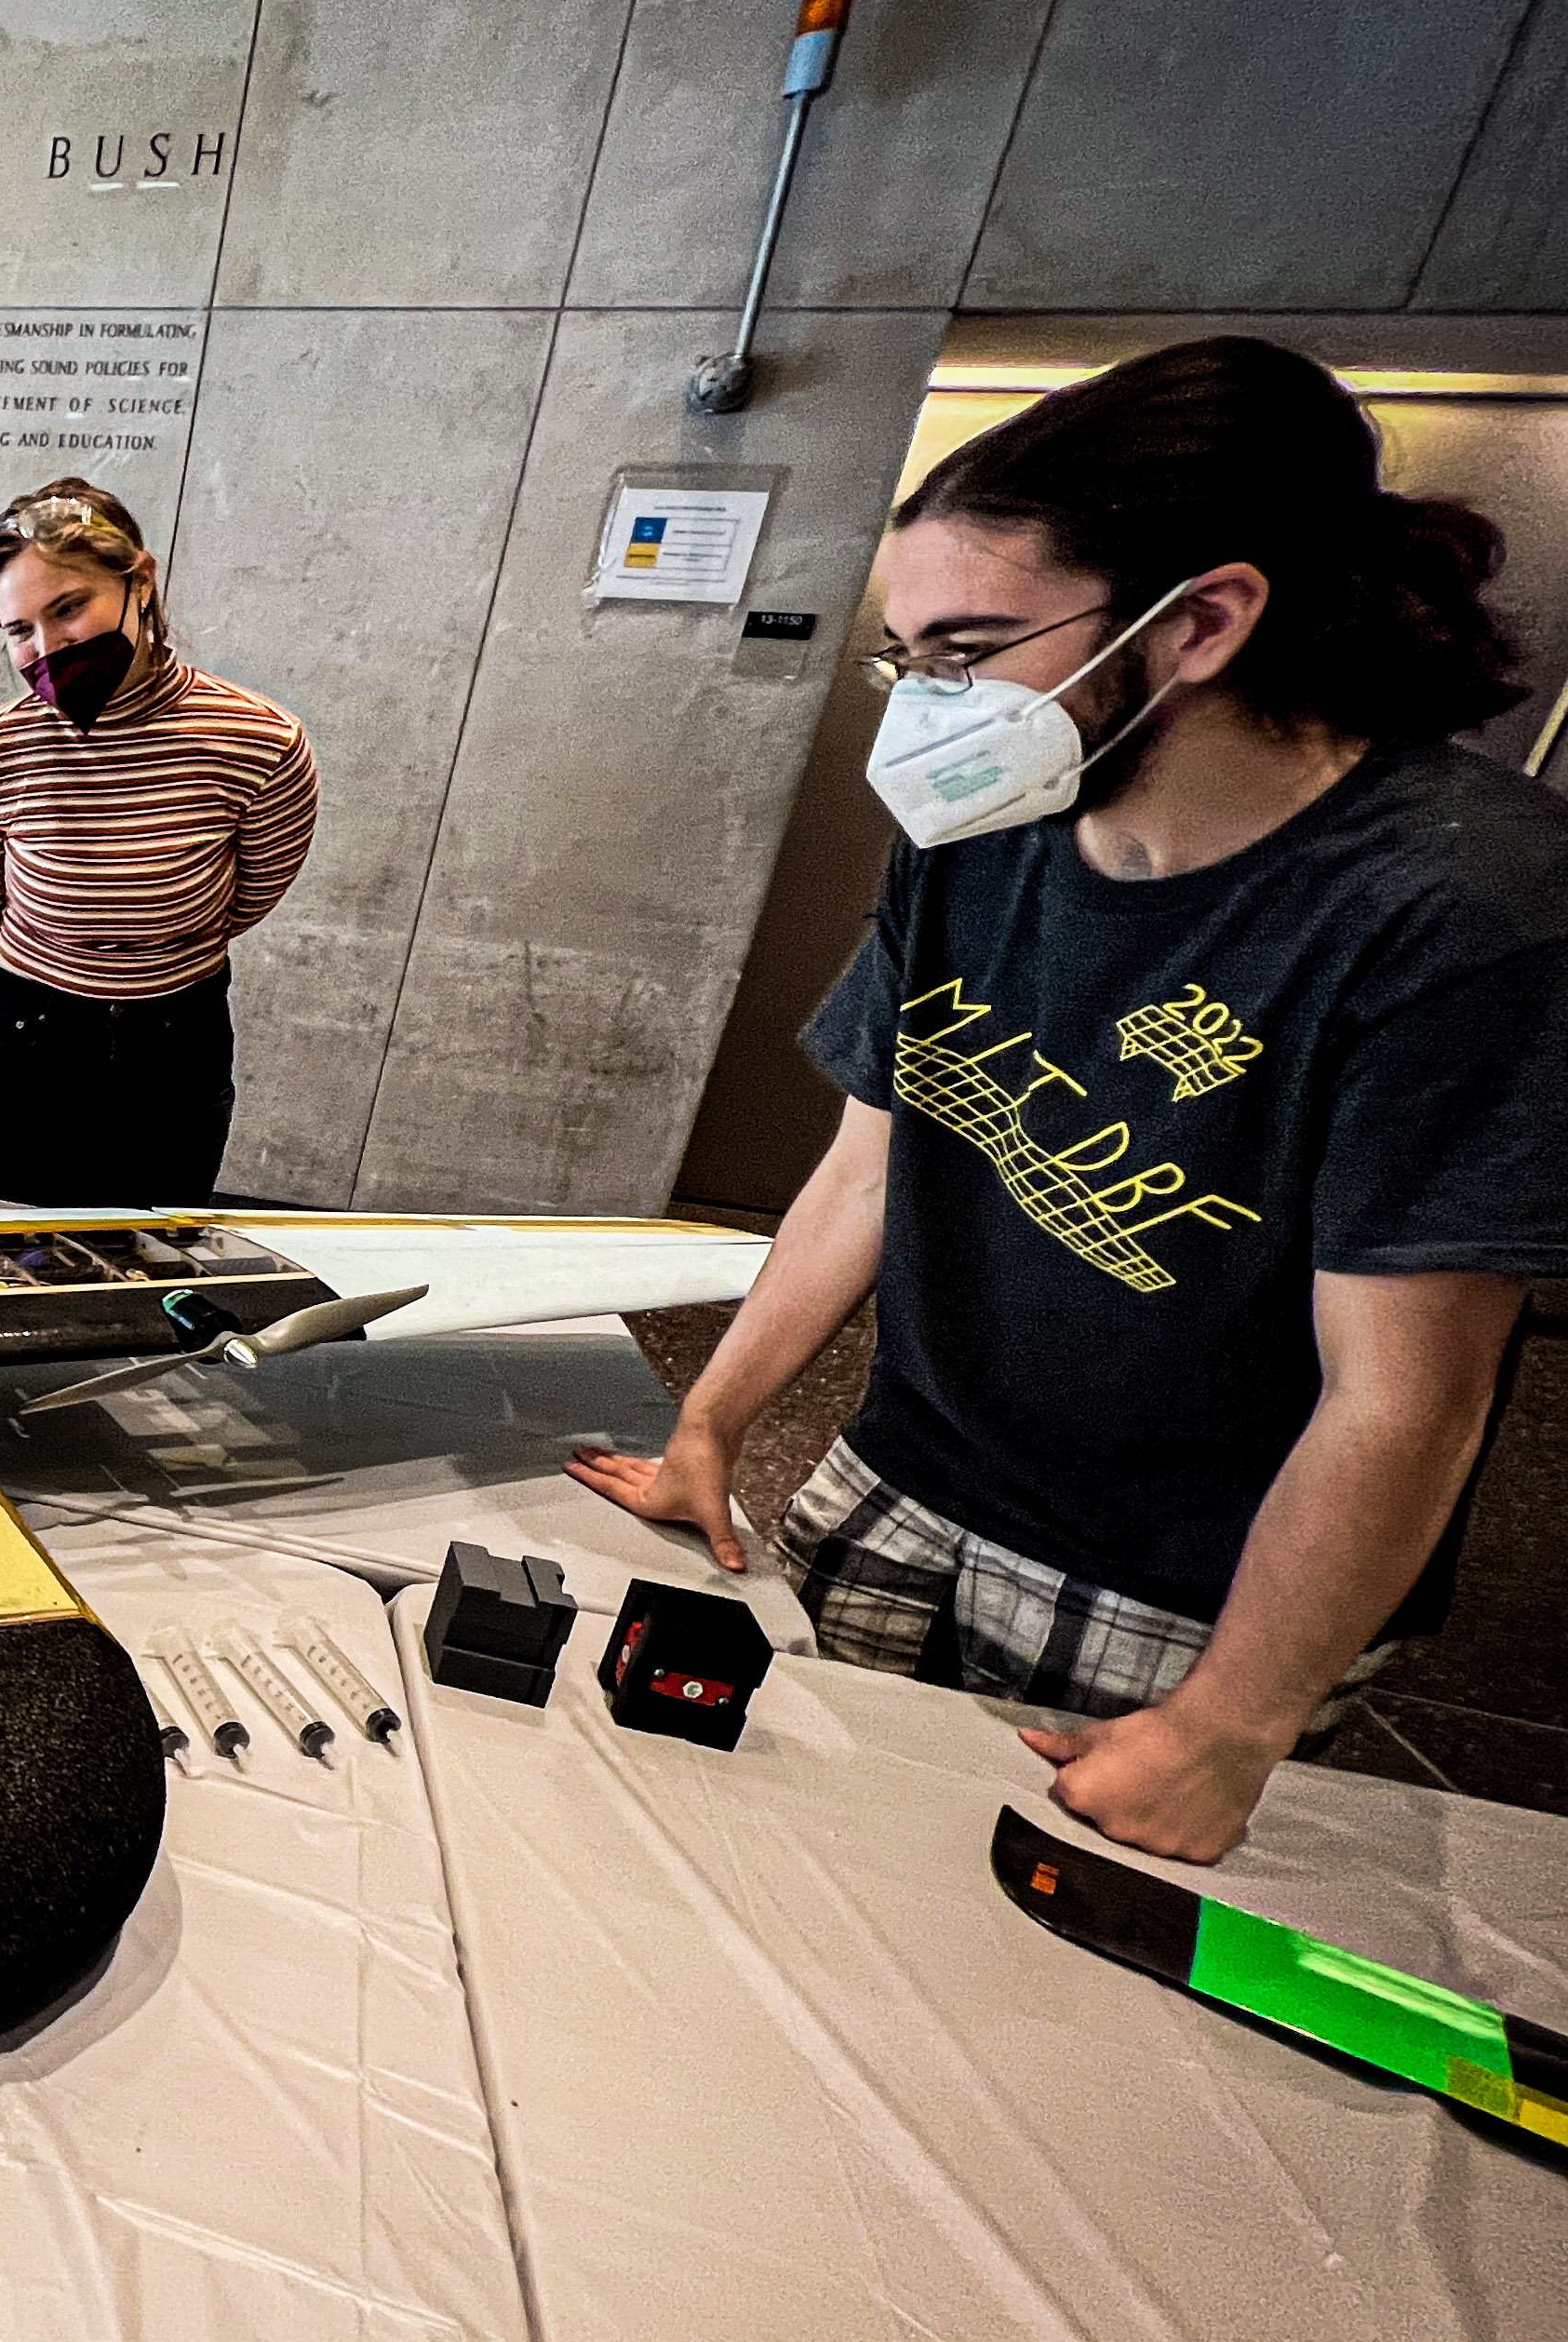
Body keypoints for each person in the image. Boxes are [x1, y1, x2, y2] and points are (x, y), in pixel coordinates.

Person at [572, 337, 1568, 1863]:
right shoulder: (985, 819)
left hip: (1193, 1586)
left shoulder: (1461, 905)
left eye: (967, 649)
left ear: (1203, 623)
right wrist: (711, 1421)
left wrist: (1229, 1721)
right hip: (906, 1468)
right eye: (902, 657)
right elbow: (866, 1164)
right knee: (795, 1855)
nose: (928, 708)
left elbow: (1405, 1392)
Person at [0, 479, 317, 1205]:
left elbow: (250, 894)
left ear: (140, 581)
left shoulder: (260, 742)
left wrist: (145, 944)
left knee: (146, 1259)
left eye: (68, 608)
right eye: (20, 630)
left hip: (175, 1042)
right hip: (21, 1034)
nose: (47, 647)